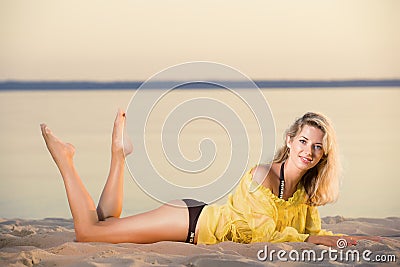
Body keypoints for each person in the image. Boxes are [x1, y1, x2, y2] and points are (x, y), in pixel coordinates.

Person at [41, 109, 379, 247]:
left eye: (317, 147)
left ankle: (119, 155)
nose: (308, 150)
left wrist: (343, 240)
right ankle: (66, 160)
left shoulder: (305, 194)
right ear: (289, 140)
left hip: (196, 219)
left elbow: (313, 233)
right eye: (303, 141)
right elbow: (261, 234)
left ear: (323, 155)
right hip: (190, 222)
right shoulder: (261, 176)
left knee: (105, 223)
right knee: (88, 234)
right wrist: (313, 241)